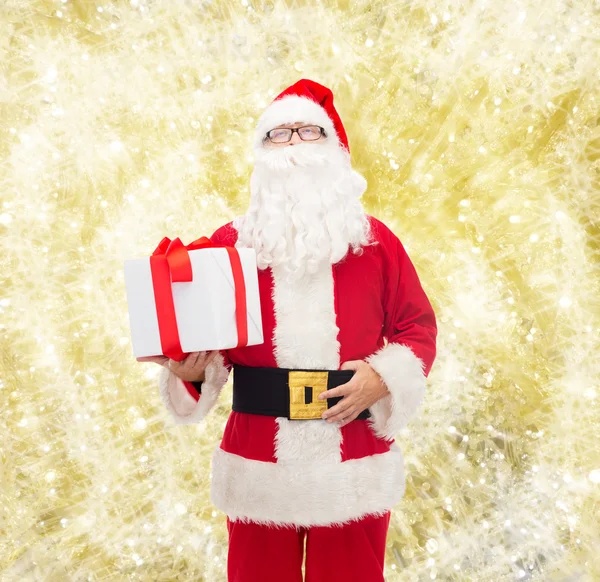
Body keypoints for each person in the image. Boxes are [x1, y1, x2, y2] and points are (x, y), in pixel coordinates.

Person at [138, 79, 438, 582]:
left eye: (307, 131)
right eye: (280, 134)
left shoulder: (376, 241)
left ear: (335, 149)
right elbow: (204, 346)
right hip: (259, 456)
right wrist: (189, 371)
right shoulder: (227, 247)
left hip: (353, 451)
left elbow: (417, 327)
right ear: (261, 153)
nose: (295, 144)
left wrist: (382, 377)